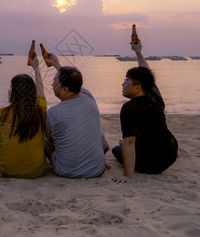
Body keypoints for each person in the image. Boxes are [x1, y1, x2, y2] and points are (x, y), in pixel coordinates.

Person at [112, 39, 179, 183]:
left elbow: (130, 142)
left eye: (126, 81)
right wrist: (138, 52)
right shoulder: (155, 97)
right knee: (158, 130)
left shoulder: (129, 108)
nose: (123, 84)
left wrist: (127, 176)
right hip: (170, 155)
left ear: (137, 87)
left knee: (118, 149)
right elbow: (147, 74)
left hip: (152, 165)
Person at [44, 53, 109, 178]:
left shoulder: (53, 113)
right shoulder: (89, 98)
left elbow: (49, 138)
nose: (52, 86)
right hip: (97, 169)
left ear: (65, 90)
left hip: (65, 171)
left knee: (44, 141)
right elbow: (74, 81)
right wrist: (57, 65)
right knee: (100, 136)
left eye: (54, 83)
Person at [0, 55, 49, 178]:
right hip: (35, 171)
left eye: (11, 88)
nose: (8, 91)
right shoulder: (40, 111)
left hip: (5, 169)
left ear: (14, 93)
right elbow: (41, 90)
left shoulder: (2, 113)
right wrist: (36, 68)